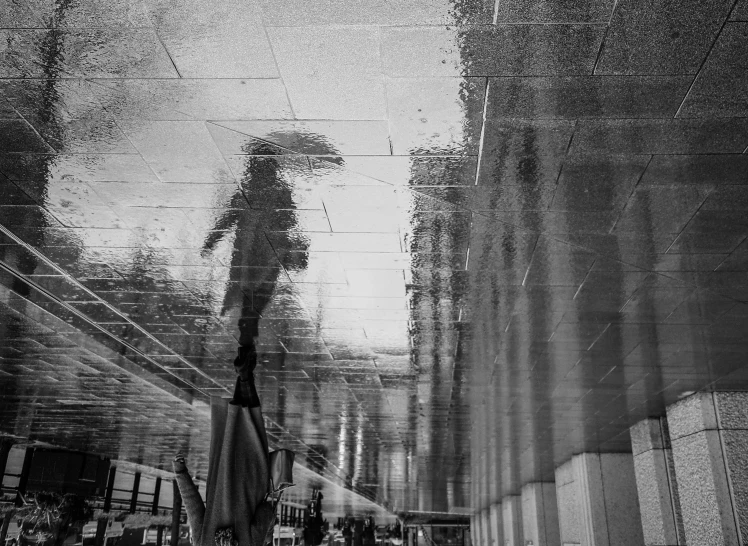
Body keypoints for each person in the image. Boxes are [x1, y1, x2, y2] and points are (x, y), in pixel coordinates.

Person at [172, 345, 294, 546]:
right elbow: (193, 507)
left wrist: (269, 526)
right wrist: (180, 471)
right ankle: (244, 372)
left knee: (251, 421)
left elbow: (264, 513)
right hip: (223, 471)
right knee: (235, 419)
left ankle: (245, 373)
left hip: (251, 478)